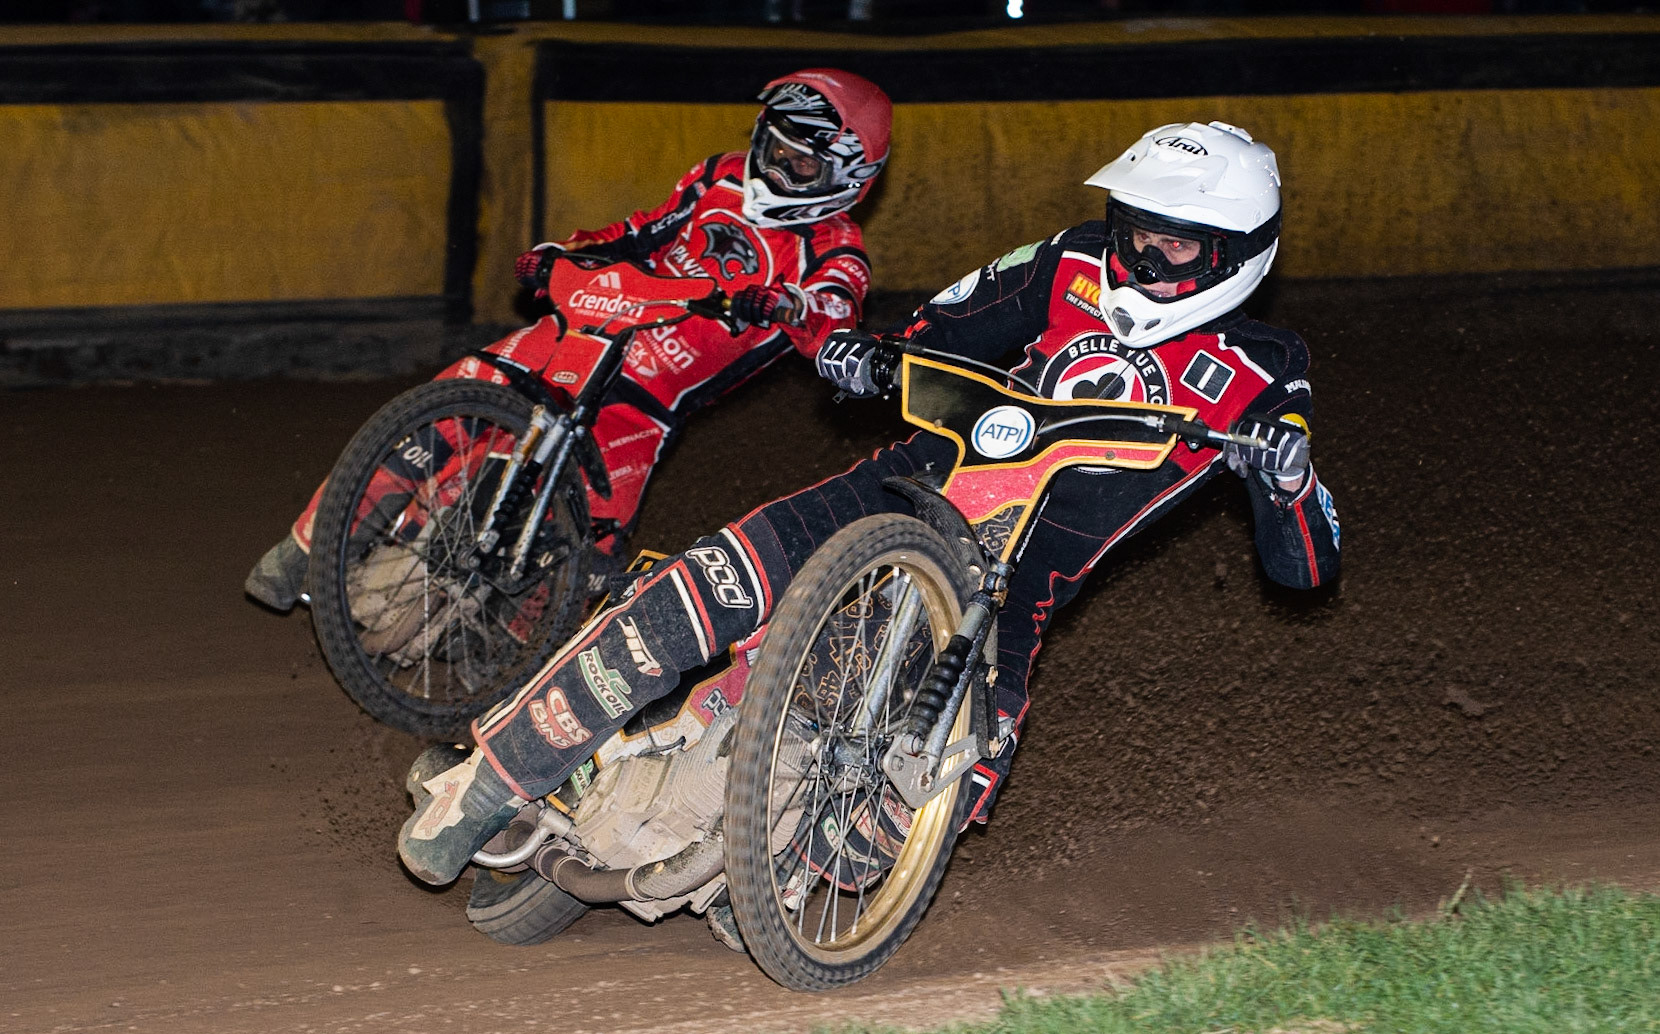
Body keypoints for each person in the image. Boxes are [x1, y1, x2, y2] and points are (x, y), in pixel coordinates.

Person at [397, 120, 1342, 892]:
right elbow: (945, 324)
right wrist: (876, 353)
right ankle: (490, 781)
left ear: (1231, 256)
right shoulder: (1069, 263)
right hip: (907, 482)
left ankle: (759, 856)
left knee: (903, 824)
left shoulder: (1268, 370)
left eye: (1169, 240)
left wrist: (1285, 474)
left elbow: (1307, 566)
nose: (1139, 250)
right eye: (1132, 224)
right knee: (707, 584)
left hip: (1016, 586)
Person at [244, 67, 892, 610]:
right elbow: (644, 229)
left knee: (584, 565)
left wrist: (788, 305)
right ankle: (307, 548)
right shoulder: (716, 177)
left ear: (847, 174)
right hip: (590, 325)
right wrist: (565, 251)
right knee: (453, 400)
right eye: (772, 146)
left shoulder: (837, 252)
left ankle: (513, 707)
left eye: (798, 162)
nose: (775, 167)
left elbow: (832, 315)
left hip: (647, 399)